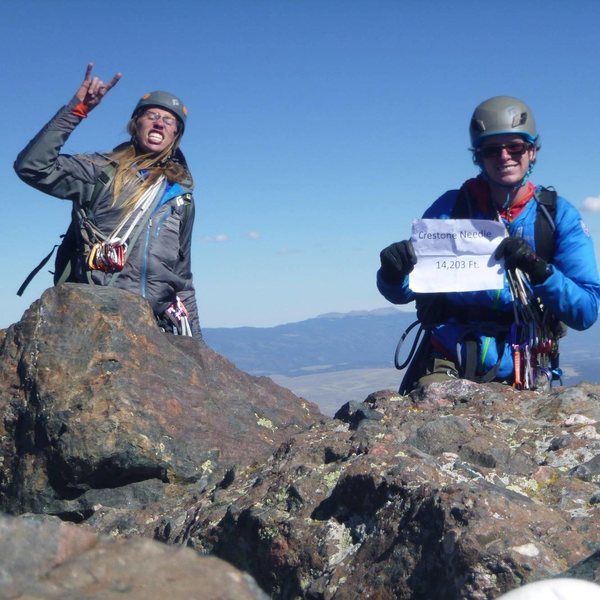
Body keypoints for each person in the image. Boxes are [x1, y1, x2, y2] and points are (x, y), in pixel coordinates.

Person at [377, 95, 600, 391]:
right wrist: (392, 274)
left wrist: (539, 271)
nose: (504, 156)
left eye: (515, 146)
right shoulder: (452, 208)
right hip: (450, 357)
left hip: (527, 363)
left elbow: (585, 311)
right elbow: (411, 288)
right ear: (478, 157)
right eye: (492, 150)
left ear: (532, 151)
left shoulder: (557, 217)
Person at [14, 64, 201, 338]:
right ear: (135, 123)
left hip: (153, 327)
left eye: (169, 120)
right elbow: (33, 167)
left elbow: (182, 279)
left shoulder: (179, 197)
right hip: (94, 319)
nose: (160, 122)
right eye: (151, 115)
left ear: (175, 135)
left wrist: (196, 344)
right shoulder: (100, 172)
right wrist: (77, 110)